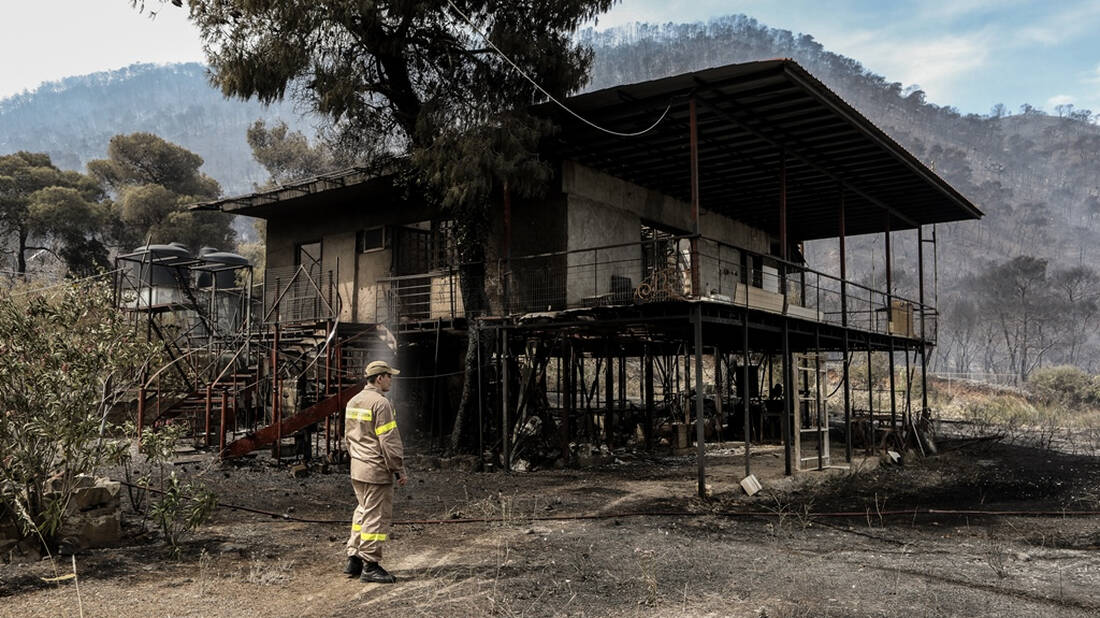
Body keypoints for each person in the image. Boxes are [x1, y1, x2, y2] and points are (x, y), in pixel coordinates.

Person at [342, 360, 407, 584]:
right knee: (376, 517)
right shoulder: (381, 404)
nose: (391, 379)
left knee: (363, 511)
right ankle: (370, 564)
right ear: (379, 378)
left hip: (357, 468)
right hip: (376, 470)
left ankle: (354, 558)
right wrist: (398, 468)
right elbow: (388, 441)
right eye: (389, 376)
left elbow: (348, 438)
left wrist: (357, 458)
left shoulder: (353, 401)